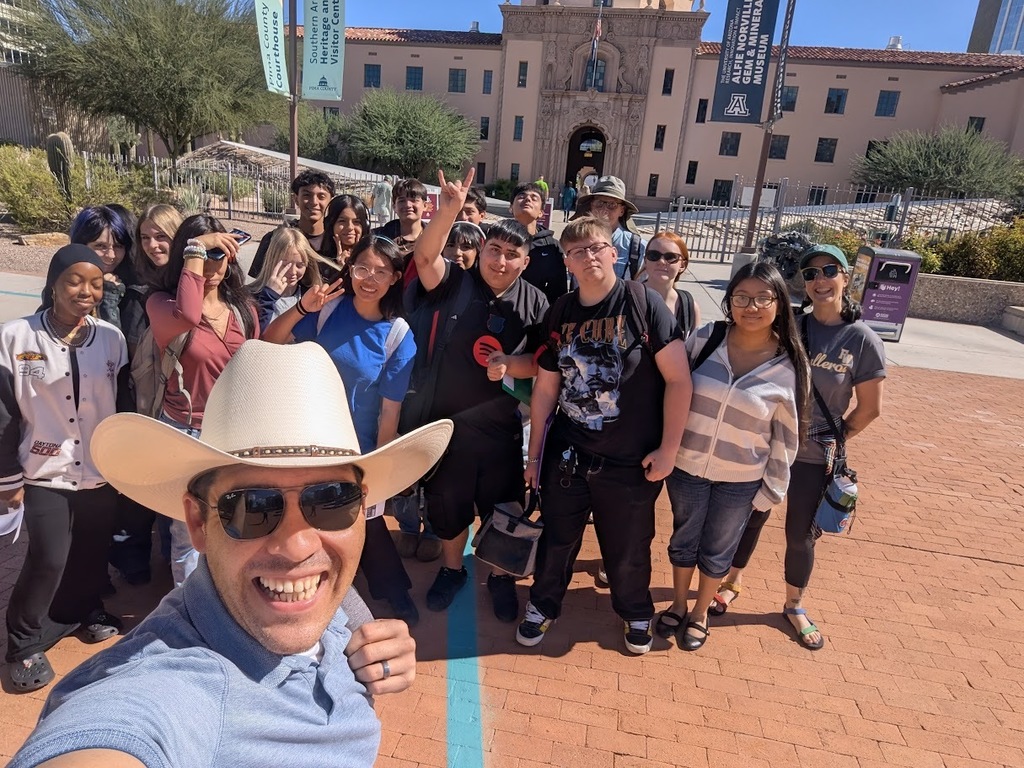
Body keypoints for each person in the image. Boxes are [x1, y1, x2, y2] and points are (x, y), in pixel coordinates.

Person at [9, 340, 453, 767]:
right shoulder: (167, 690)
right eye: (252, 507)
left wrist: (371, 641)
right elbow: (116, 732)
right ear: (199, 523)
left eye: (332, 501)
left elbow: (337, 598)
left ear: (361, 511)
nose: (299, 546)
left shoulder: (319, 599)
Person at [517, 216, 691, 655]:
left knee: (629, 544)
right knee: (558, 537)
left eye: (597, 247)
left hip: (630, 460)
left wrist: (669, 449)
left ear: (614, 252)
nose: (589, 256)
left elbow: (679, 380)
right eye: (578, 252)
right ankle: (543, 604)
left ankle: (635, 611)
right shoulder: (561, 312)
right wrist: (534, 456)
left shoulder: (643, 303)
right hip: (570, 454)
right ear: (567, 263)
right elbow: (545, 388)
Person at [707, 244, 885, 651]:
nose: (819, 280)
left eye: (828, 270)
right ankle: (732, 581)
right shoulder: (791, 327)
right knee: (749, 518)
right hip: (767, 444)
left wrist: (832, 441)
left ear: (845, 277)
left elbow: (870, 409)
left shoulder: (862, 339)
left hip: (811, 456)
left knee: (799, 533)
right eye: (810, 274)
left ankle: (793, 604)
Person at [405, 168, 549, 622]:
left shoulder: (535, 303)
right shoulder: (456, 284)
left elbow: (544, 365)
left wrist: (511, 364)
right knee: (447, 508)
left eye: (511, 255)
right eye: (493, 250)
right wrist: (447, 212)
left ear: (525, 261)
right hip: (446, 424)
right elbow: (425, 259)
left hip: (502, 428)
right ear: (481, 249)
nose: (500, 261)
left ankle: (501, 577)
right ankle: (452, 570)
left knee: (502, 507)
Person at [264, 236, 419, 625]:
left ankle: (390, 591)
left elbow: (389, 413)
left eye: (381, 271)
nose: (370, 278)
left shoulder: (398, 335)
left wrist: (381, 470)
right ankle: (329, 598)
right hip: (307, 441)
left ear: (395, 278)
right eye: (363, 268)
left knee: (362, 521)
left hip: (357, 450)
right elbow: (269, 343)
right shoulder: (326, 311)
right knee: (313, 521)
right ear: (350, 269)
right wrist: (302, 308)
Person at [657, 261, 810, 652]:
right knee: (683, 539)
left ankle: (701, 612)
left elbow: (786, 437)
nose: (751, 306)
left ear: (780, 304)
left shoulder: (789, 365)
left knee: (719, 548)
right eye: (741, 297)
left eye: (763, 297)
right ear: (729, 302)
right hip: (687, 466)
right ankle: (677, 603)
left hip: (742, 478)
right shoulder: (707, 339)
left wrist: (771, 490)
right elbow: (668, 386)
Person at [1, 245, 130, 692]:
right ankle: (22, 643)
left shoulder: (111, 338)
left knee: (92, 553)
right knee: (49, 557)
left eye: (96, 283)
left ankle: (84, 611)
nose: (86, 291)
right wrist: (7, 481)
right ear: (53, 283)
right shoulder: (16, 338)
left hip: (99, 470)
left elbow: (124, 405)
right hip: (43, 471)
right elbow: (4, 415)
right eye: (74, 281)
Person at [146, 214, 257, 587]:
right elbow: (189, 313)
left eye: (218, 254)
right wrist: (198, 244)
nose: (210, 265)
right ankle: (193, 611)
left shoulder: (243, 311)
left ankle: (230, 601)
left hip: (231, 435)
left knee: (234, 526)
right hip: (184, 434)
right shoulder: (161, 304)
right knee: (188, 536)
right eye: (200, 255)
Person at [68, 205, 140, 349]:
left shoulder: (130, 290)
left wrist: (108, 296)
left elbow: (114, 348)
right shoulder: (63, 283)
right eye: (101, 246)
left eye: (118, 246)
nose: (111, 256)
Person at [248, 170, 335, 278]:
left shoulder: (336, 242)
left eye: (321, 196)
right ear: (296, 199)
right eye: (307, 195)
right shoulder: (273, 239)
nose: (314, 202)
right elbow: (258, 287)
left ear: (330, 201)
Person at [250, 226, 324, 333]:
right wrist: (268, 297)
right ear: (271, 261)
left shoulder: (309, 295)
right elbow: (259, 335)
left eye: (299, 265)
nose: (293, 272)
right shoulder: (252, 296)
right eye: (285, 265)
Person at [573, 176, 646, 280]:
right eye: (599, 203)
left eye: (612, 204)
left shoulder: (638, 249)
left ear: (622, 210)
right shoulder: (576, 243)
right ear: (591, 206)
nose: (604, 210)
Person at [511, 181, 567, 306]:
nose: (527, 199)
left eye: (534, 198)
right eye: (521, 196)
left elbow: (558, 292)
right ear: (510, 208)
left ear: (541, 212)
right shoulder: (498, 238)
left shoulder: (551, 246)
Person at [640, 231, 701, 338]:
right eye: (654, 255)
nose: (662, 262)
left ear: (682, 265)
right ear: (645, 260)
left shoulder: (689, 307)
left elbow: (694, 350)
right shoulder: (627, 297)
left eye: (670, 257)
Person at [319, 194, 370, 282]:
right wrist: (339, 269)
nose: (350, 227)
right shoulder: (319, 263)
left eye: (356, 222)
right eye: (342, 221)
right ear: (331, 225)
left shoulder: (373, 260)